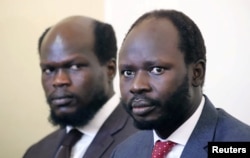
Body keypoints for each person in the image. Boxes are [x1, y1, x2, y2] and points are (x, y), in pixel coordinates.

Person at [111, 9, 250, 158]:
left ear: (197, 73)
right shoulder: (123, 152)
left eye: (157, 70)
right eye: (128, 73)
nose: (136, 86)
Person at [23, 16, 137, 158]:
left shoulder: (147, 141)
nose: (58, 81)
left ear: (110, 69)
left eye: (75, 66)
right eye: (49, 70)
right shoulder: (36, 152)